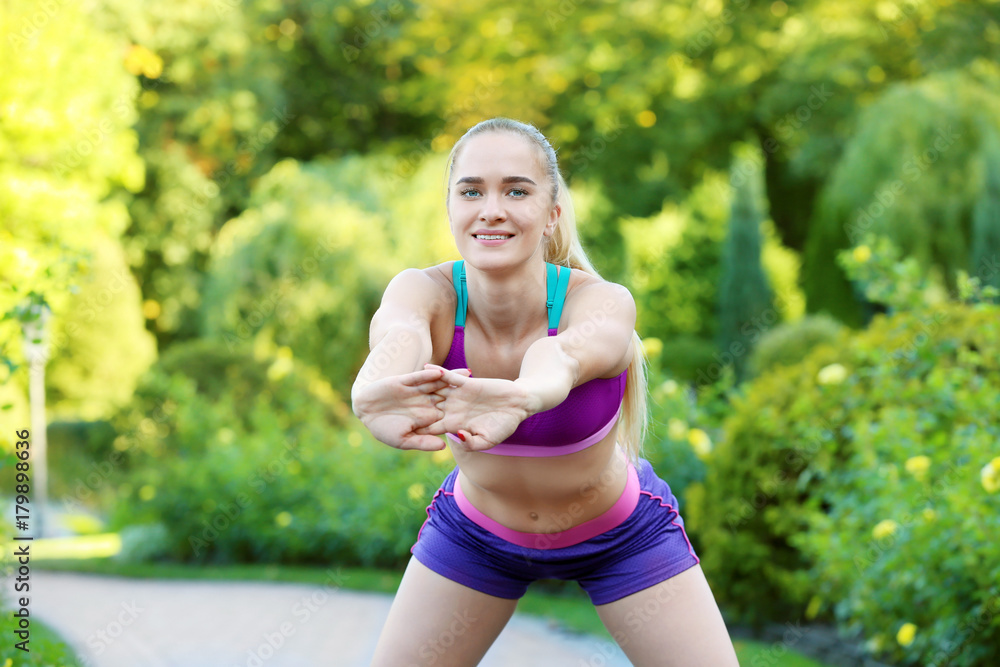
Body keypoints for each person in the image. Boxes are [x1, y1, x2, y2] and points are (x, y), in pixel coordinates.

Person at [351, 117, 740, 666]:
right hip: (477, 537)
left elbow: (561, 355)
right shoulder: (425, 293)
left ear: (552, 213)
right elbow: (400, 336)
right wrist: (370, 388)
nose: (491, 208)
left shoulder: (601, 301)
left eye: (516, 190)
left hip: (620, 537)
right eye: (471, 191)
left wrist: (523, 396)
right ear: (451, 208)